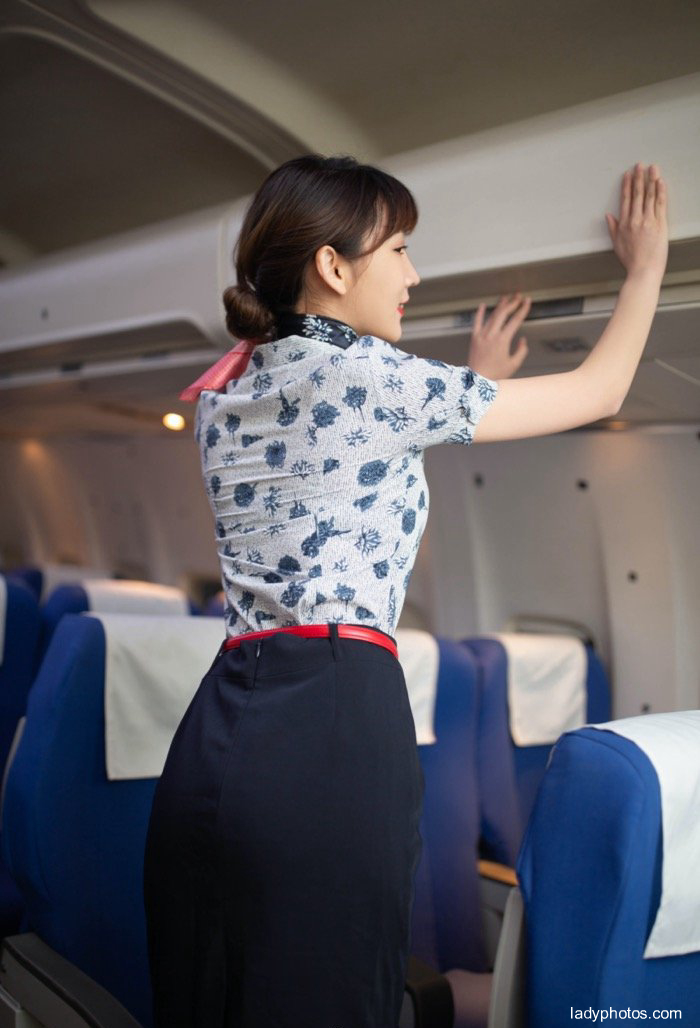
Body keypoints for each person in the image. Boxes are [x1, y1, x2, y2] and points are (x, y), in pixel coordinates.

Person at [143, 155, 668, 1027]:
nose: (415, 275)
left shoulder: (228, 387)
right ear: (334, 266)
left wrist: (468, 378)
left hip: (221, 728)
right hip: (334, 727)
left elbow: (342, 463)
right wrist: (647, 267)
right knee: (335, 996)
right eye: (399, 249)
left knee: (212, 994)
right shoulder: (376, 383)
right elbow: (600, 388)